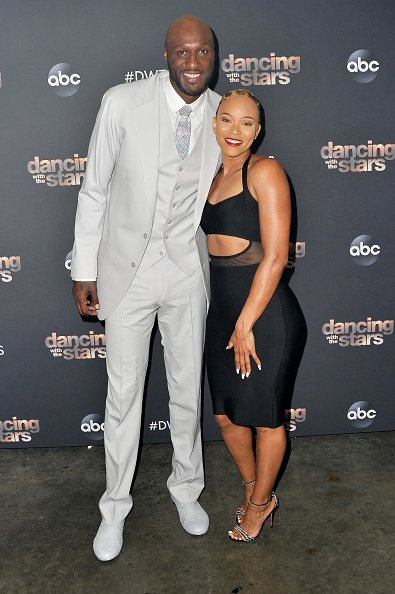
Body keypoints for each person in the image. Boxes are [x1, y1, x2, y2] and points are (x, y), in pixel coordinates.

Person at [71, 15, 221, 561]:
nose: (192, 62)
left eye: (202, 52)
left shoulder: (221, 115)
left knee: (186, 391)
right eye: (182, 52)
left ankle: (187, 490)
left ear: (214, 56)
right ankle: (114, 506)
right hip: (126, 273)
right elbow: (93, 190)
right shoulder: (121, 103)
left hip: (185, 271)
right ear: (165, 55)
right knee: (122, 395)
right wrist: (83, 269)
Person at [200, 89, 307, 542]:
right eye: (227, 120)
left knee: (266, 420)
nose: (236, 131)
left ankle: (261, 504)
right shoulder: (208, 175)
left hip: (264, 316)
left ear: (258, 131)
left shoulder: (265, 171)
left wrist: (245, 324)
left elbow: (277, 255)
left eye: (247, 123)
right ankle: (252, 486)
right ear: (214, 123)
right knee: (225, 417)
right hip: (222, 312)